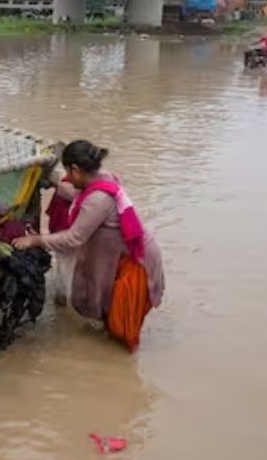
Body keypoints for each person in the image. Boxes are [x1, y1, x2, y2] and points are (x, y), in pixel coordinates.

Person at [13, 141, 164, 351]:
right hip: (127, 253)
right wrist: (53, 181)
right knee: (111, 314)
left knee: (122, 326)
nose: (68, 178)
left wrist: (36, 240)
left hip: (138, 260)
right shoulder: (103, 180)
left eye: (67, 172)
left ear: (75, 170)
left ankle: (116, 368)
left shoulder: (98, 199)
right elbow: (75, 194)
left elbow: (73, 239)